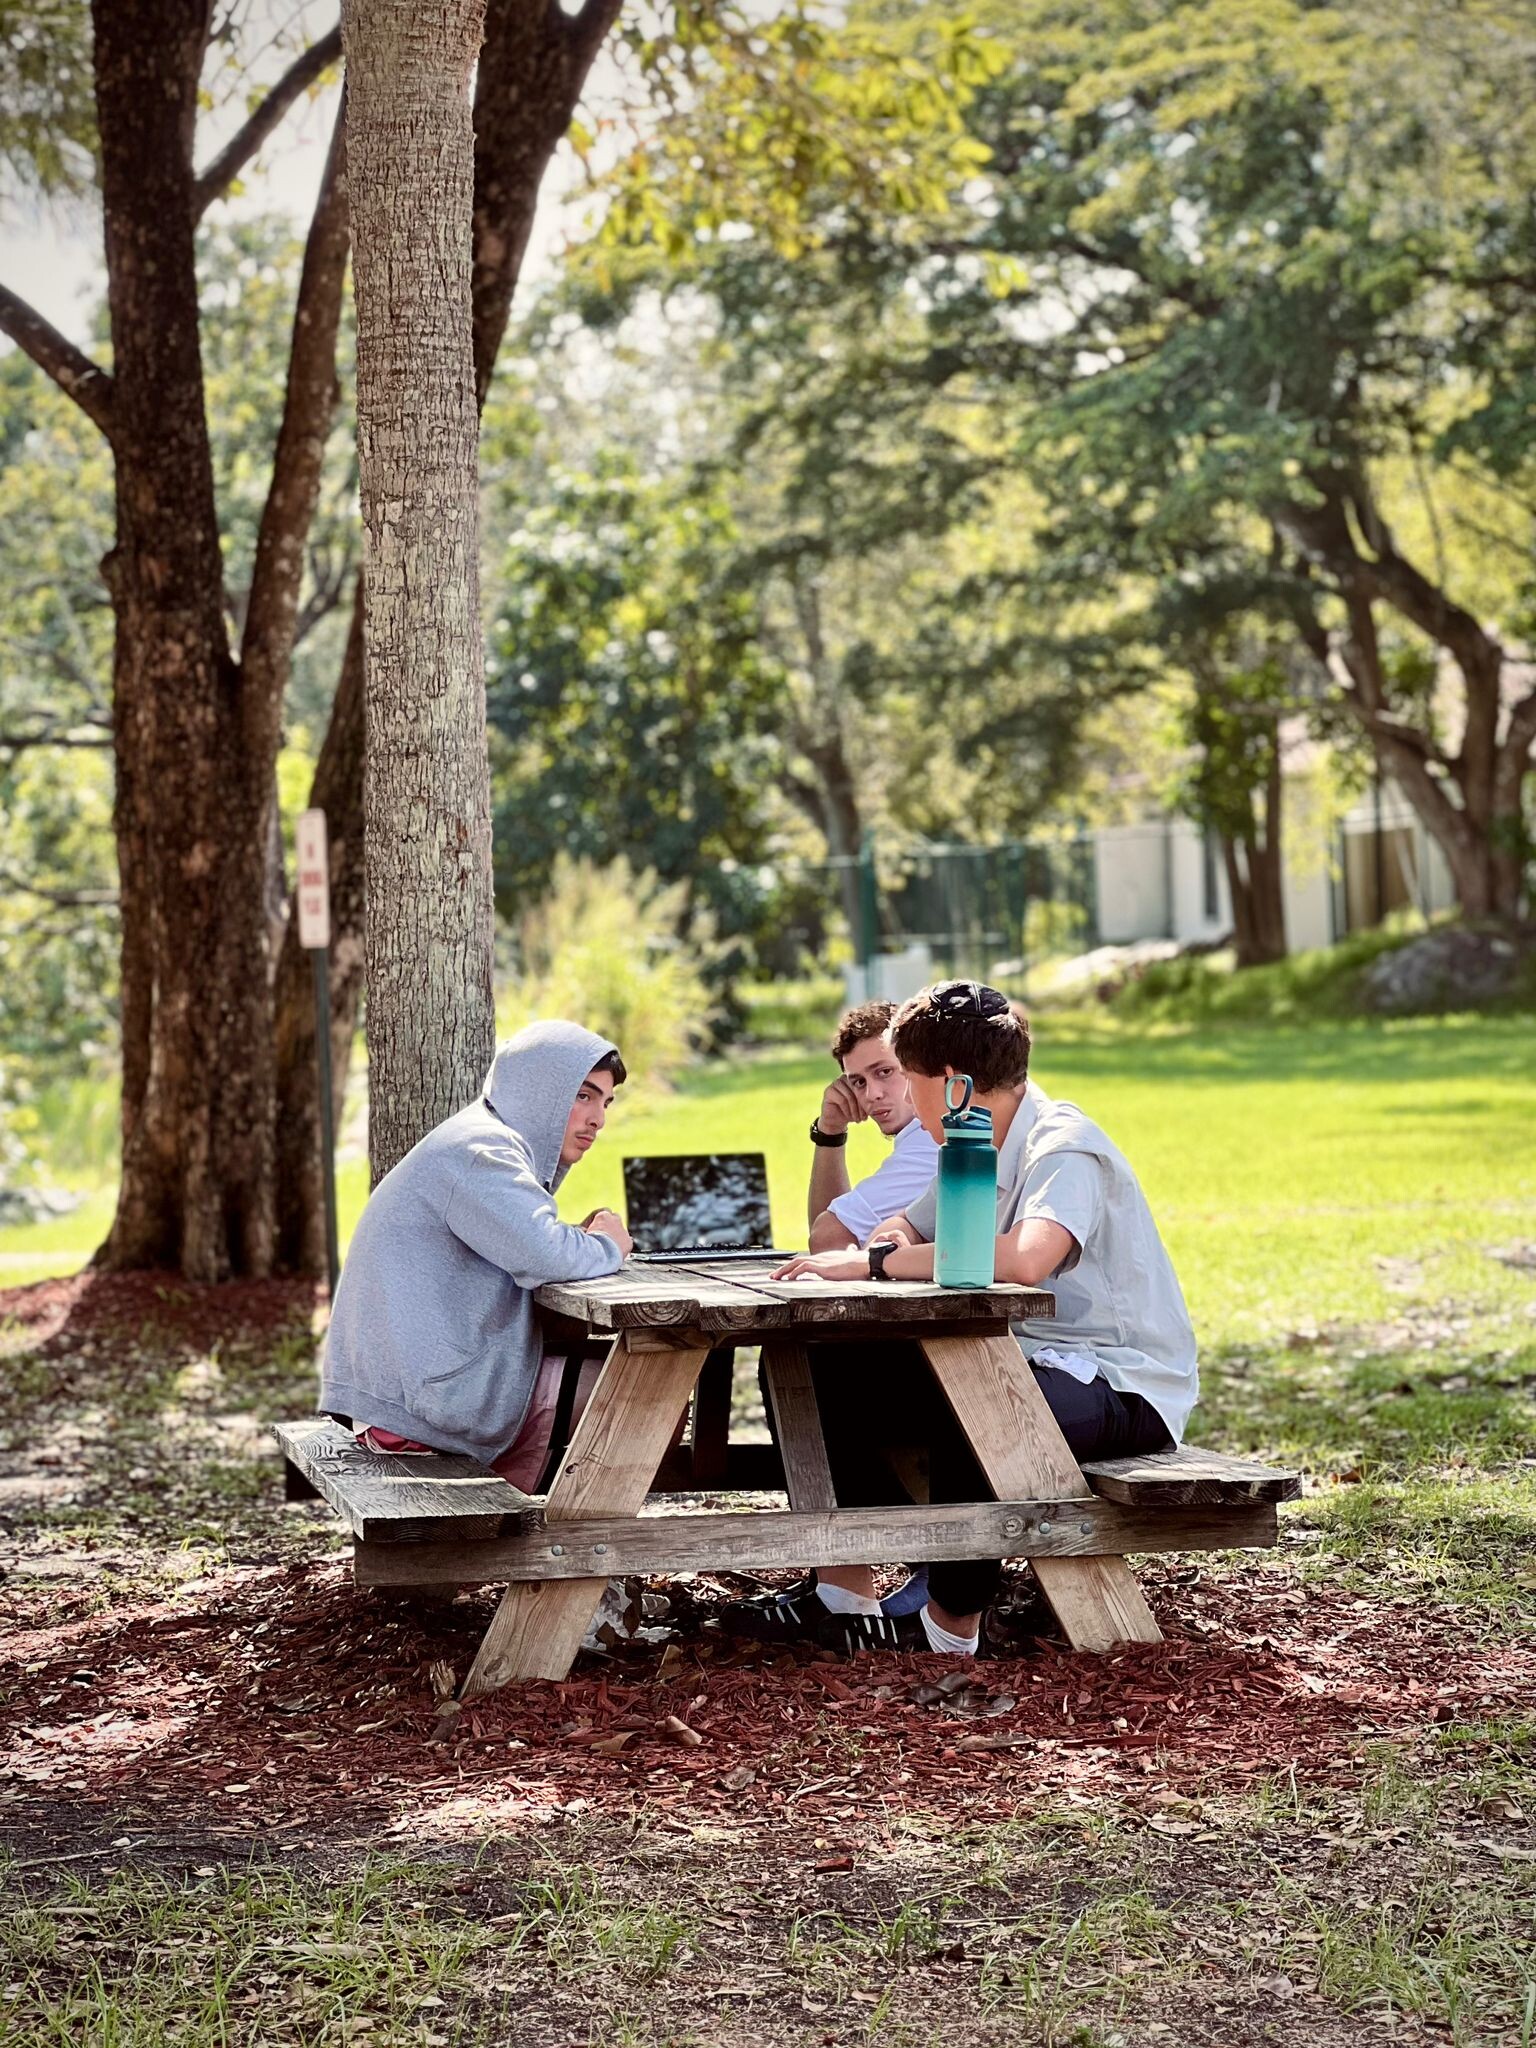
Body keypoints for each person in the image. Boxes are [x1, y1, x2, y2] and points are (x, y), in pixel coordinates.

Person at [735, 979, 1197, 1657]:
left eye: (907, 1077)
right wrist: (889, 1244)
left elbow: (1029, 1257)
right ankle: (849, 1588)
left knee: (979, 1405)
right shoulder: (970, 1141)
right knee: (814, 1367)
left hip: (1119, 1383)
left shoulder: (1063, 1146)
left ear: (952, 1082)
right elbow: (905, 1226)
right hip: (1016, 1362)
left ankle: (948, 1629)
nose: (898, 1095)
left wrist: (878, 1263)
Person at [319, 1020, 633, 1492]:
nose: (597, 1120)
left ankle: (548, 1522)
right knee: (646, 1397)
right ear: (538, 1091)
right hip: (423, 1410)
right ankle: (566, 1534)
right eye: (583, 1095)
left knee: (629, 1376)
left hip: (415, 1393)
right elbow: (545, 1257)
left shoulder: (480, 1141)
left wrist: (574, 1241)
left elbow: (531, 1246)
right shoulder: (480, 1152)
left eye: (605, 1102)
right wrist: (609, 1246)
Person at [806, 999, 940, 1250]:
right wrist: (830, 1132)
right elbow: (826, 1238)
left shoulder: (929, 1142)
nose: (872, 1094)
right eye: (858, 1082)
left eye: (884, 1072)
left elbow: (827, 1237)